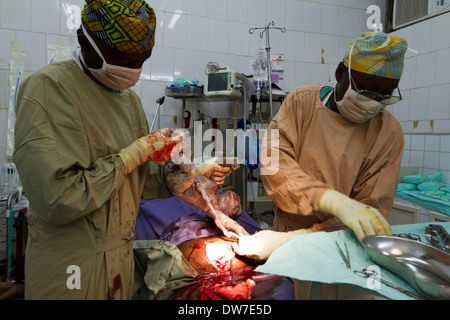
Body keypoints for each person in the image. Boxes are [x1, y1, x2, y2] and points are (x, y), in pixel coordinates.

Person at [13, 0, 234, 300]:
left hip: (119, 267)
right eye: (121, 61)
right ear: (83, 39)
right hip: (70, 271)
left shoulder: (127, 101)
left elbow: (136, 181)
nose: (131, 71)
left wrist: (178, 174)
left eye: (139, 61)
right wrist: (136, 152)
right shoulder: (48, 90)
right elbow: (58, 199)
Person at [234, 32, 408, 261]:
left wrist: (292, 242)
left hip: (339, 245)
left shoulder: (388, 132)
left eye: (385, 95)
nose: (374, 102)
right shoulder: (301, 102)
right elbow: (275, 164)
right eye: (366, 90)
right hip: (285, 230)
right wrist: (330, 200)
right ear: (340, 73)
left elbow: (369, 213)